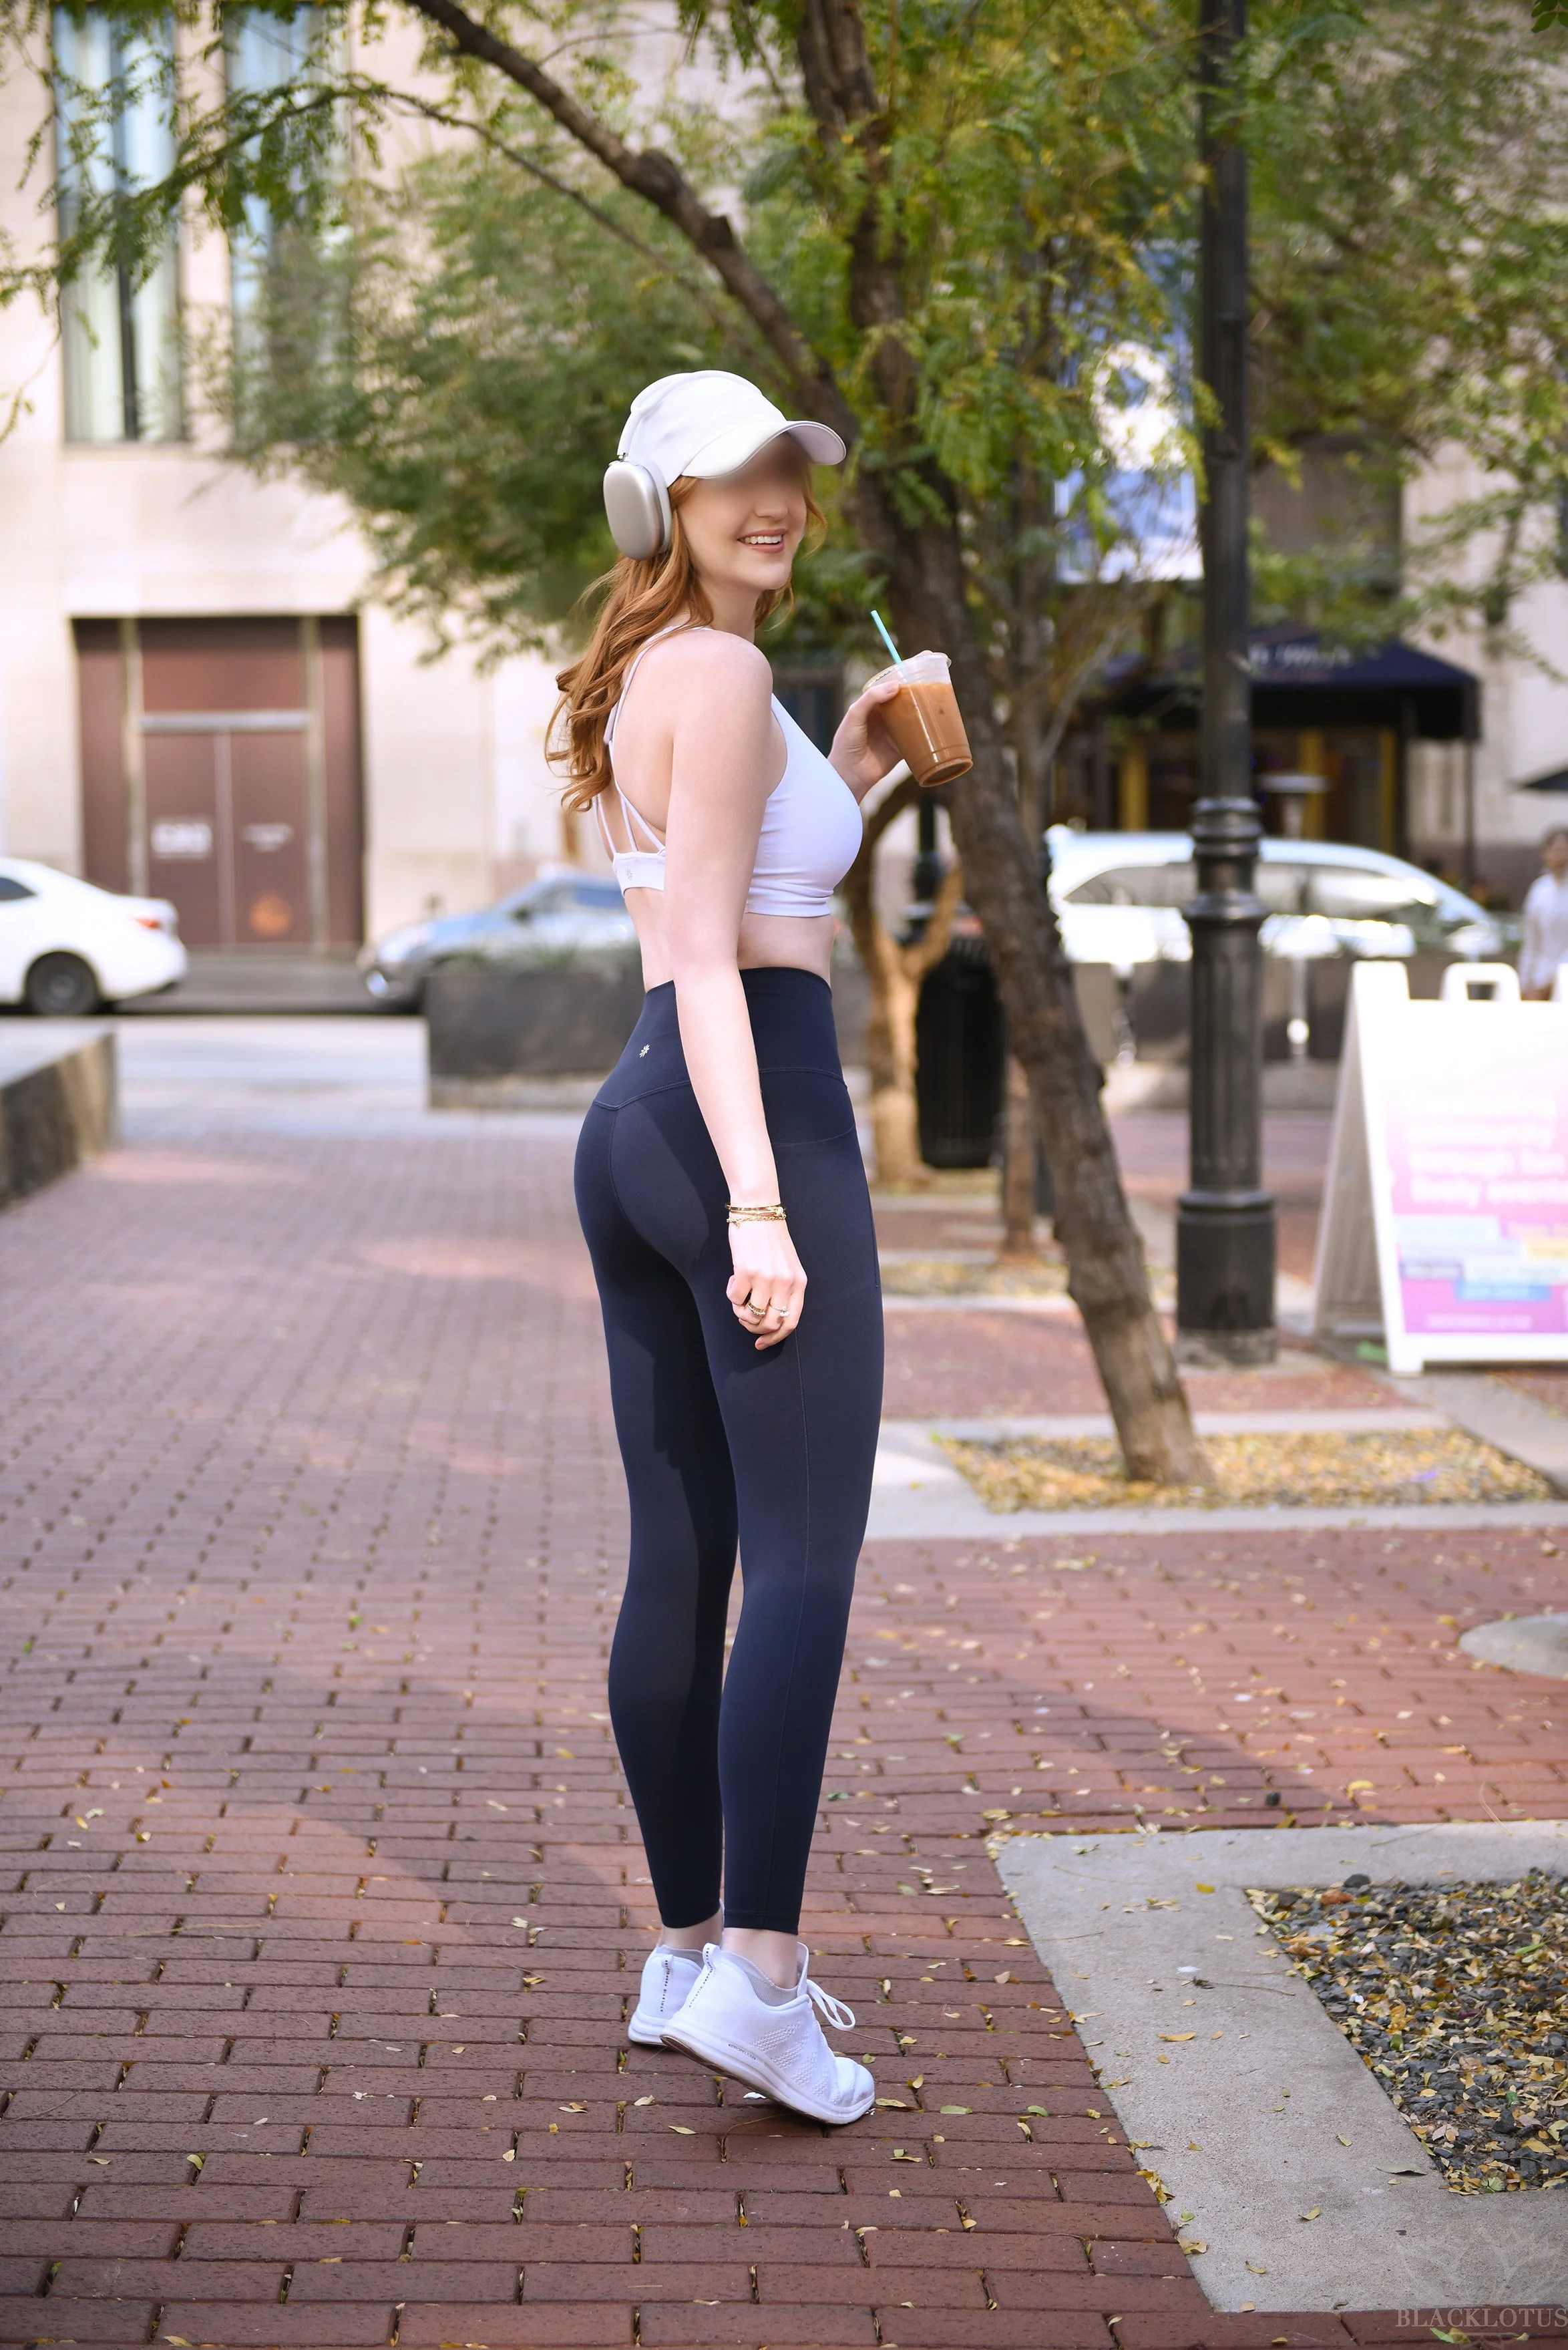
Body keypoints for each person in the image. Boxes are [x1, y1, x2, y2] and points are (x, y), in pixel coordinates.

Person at [554, 372, 918, 2126]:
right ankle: (763, 1985)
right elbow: (715, 955)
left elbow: (752, 898)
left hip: (635, 1123)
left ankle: (687, 1948)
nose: (773, 498)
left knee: (683, 1554)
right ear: (658, 501)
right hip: (735, 1104)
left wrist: (844, 777)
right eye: (732, 477)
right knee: (803, 1558)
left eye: (786, 470)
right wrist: (764, 1205)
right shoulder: (722, 666)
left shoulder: (667, 675)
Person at [1521, 827, 1568, 1001]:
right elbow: (1531, 940)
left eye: (1564, 850)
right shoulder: (1539, 890)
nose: (1560, 856)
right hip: (1539, 979)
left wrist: (1553, 979)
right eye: (1555, 850)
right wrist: (1525, 982)